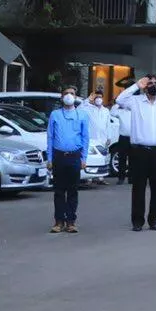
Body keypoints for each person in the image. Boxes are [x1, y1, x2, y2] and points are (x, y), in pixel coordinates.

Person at [116, 74, 156, 231]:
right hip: (139, 151)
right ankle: (137, 221)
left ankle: (154, 220)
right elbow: (119, 100)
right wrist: (137, 85)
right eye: (150, 83)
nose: (153, 85)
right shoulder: (135, 101)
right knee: (138, 187)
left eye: (155, 83)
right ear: (144, 86)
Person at [45, 86, 90, 233]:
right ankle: (58, 221)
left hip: (74, 156)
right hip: (59, 156)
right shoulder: (55, 115)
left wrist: (83, 158)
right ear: (61, 97)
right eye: (66, 94)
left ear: (76, 97)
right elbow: (50, 137)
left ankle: (71, 221)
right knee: (59, 191)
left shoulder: (82, 115)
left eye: (72, 94)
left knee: (72, 190)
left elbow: (85, 138)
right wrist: (50, 158)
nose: (69, 96)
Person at [84, 90, 115, 185]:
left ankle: (101, 177)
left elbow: (108, 124)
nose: (98, 99)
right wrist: (88, 99)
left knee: (104, 157)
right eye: (96, 97)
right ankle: (89, 178)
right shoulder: (88, 109)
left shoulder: (105, 110)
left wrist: (109, 137)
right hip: (92, 137)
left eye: (100, 97)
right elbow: (81, 106)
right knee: (91, 158)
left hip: (103, 138)